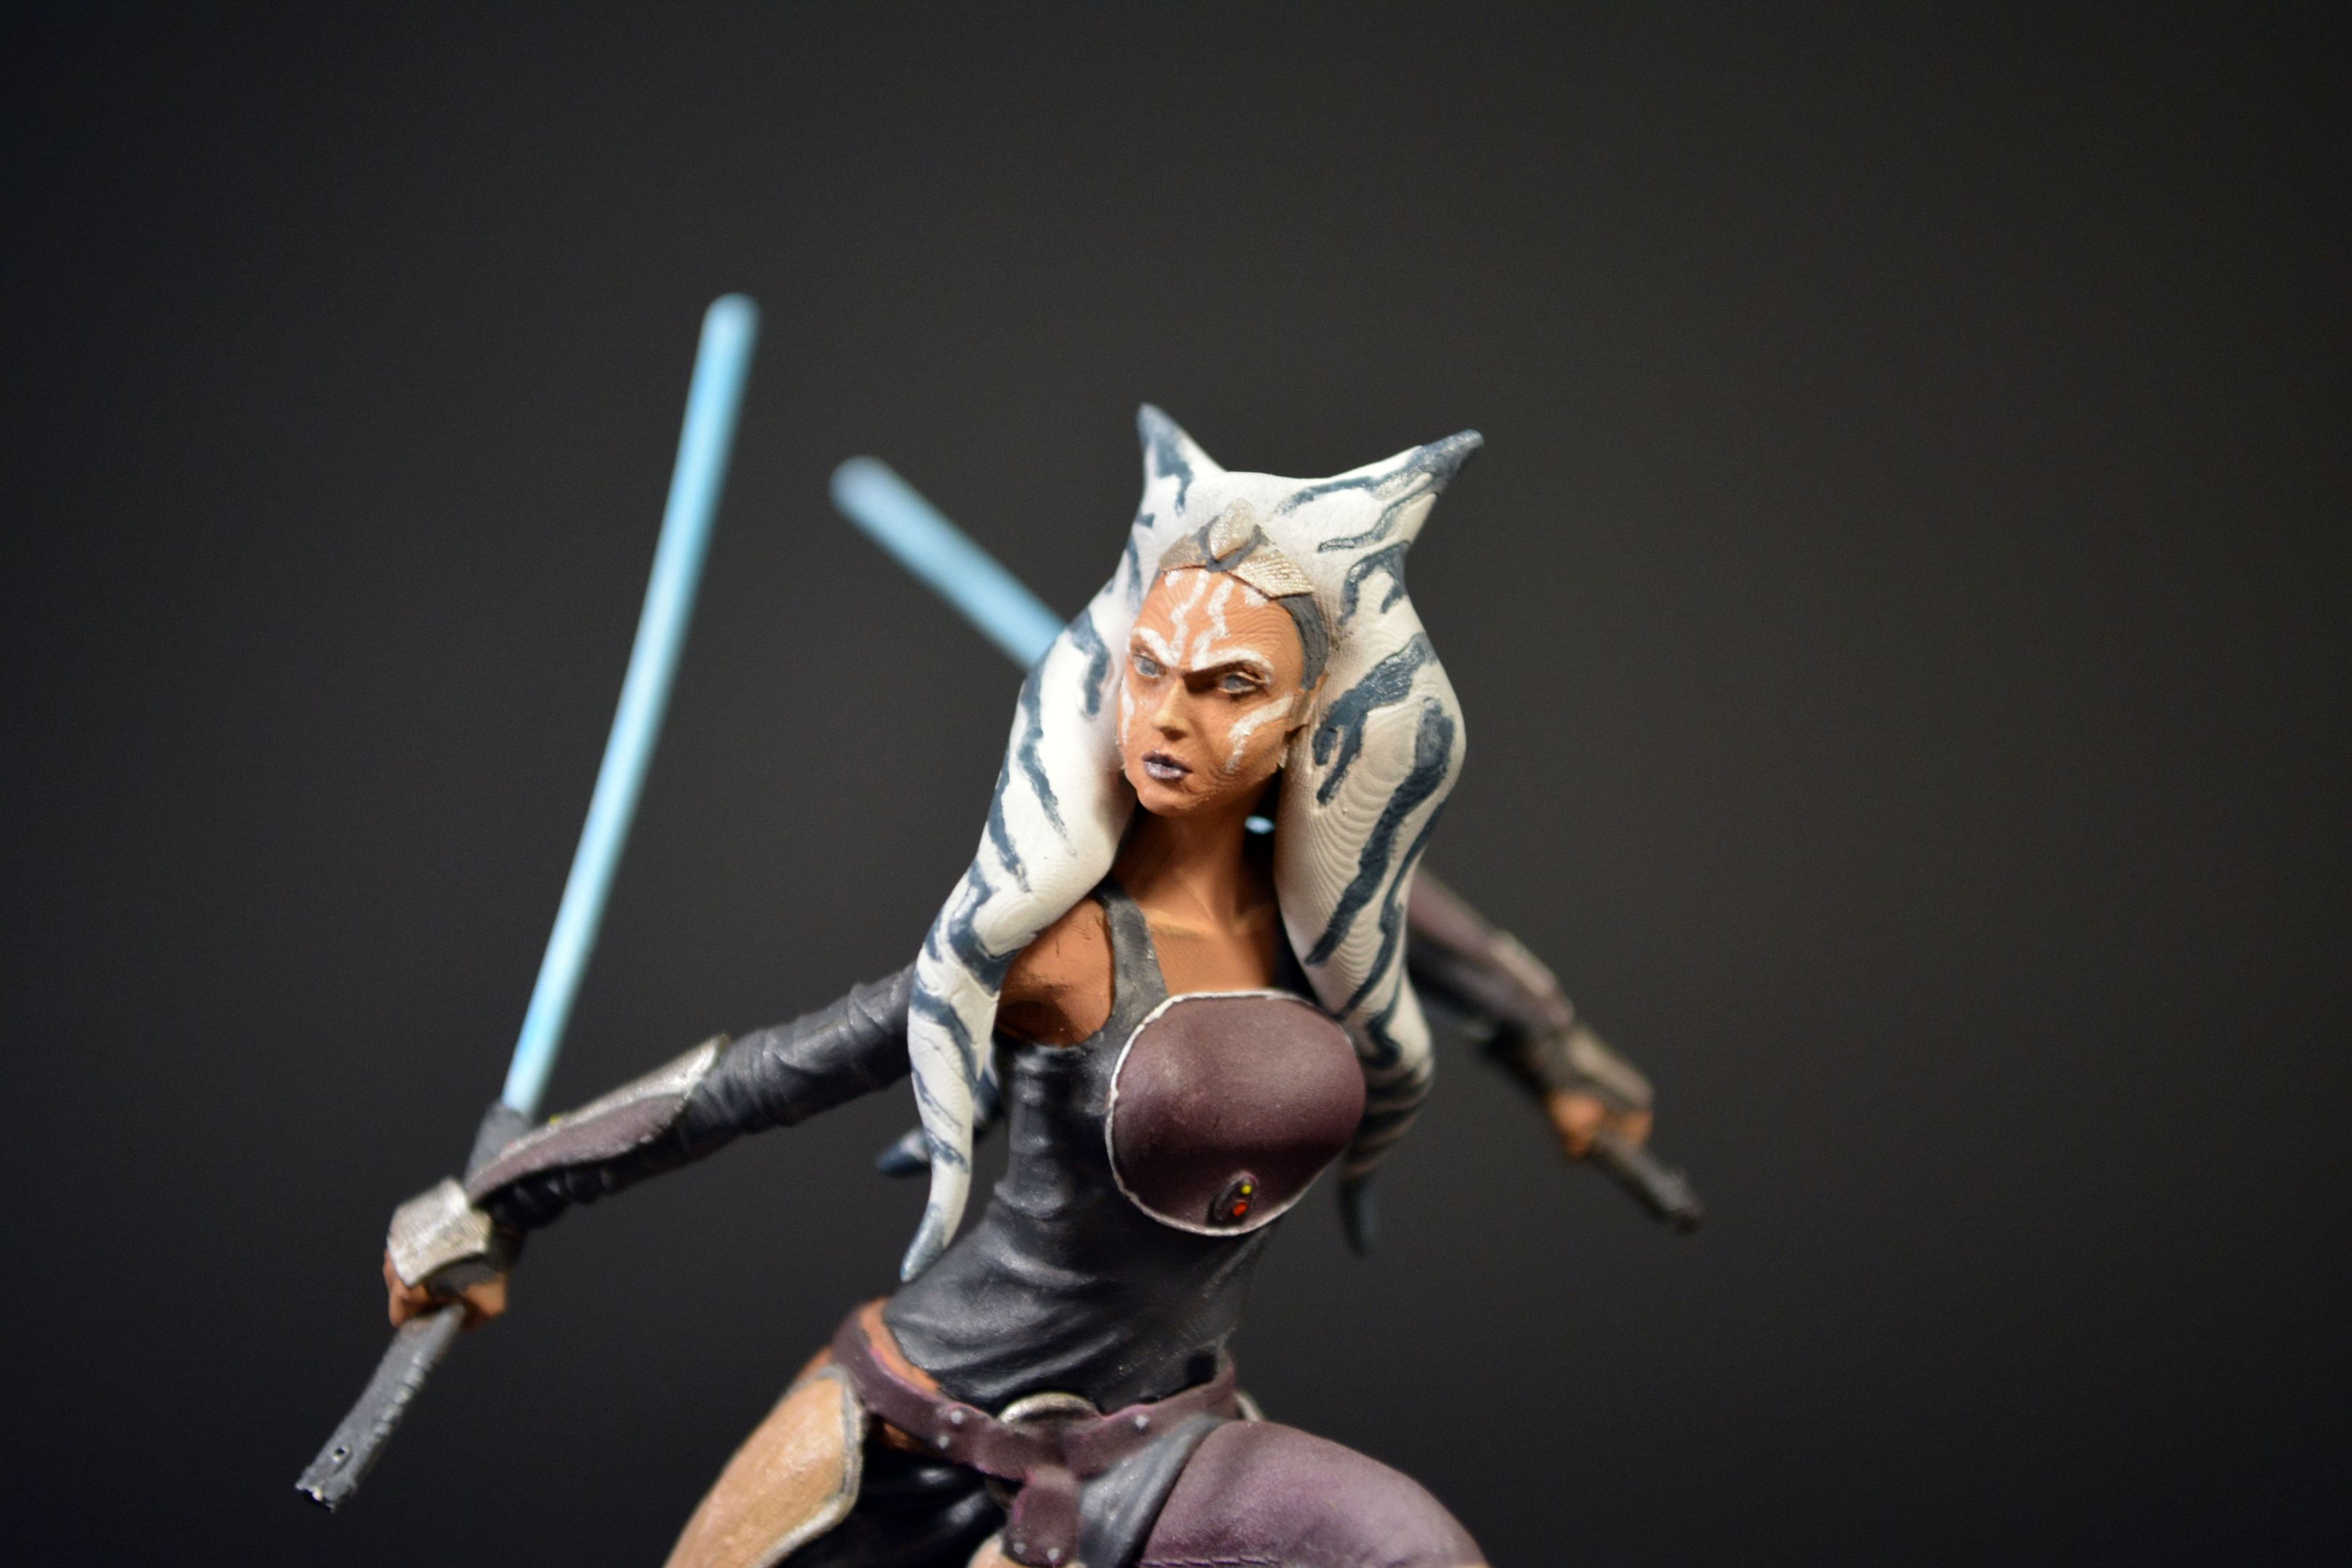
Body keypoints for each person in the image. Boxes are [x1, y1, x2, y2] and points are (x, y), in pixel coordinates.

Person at [382, 409, 1662, 1568]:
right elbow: (770, 1075)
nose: (1170, 718)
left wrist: (1563, 1061)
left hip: (1160, 1452)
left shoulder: (1335, 925)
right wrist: (500, 1200)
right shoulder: (1066, 953)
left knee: (1414, 1551)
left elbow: (1476, 969)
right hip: (920, 1440)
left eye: (1230, 686)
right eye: (1150, 669)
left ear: (1311, 719)